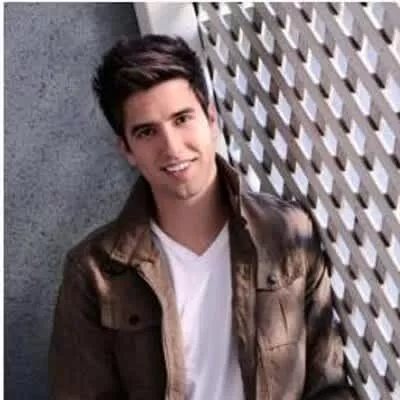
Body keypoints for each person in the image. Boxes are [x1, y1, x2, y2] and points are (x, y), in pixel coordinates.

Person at [49, 34, 355, 400]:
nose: (172, 147)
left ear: (210, 118)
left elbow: (327, 385)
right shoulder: (94, 274)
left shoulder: (286, 233)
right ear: (127, 149)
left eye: (182, 119)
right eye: (147, 132)